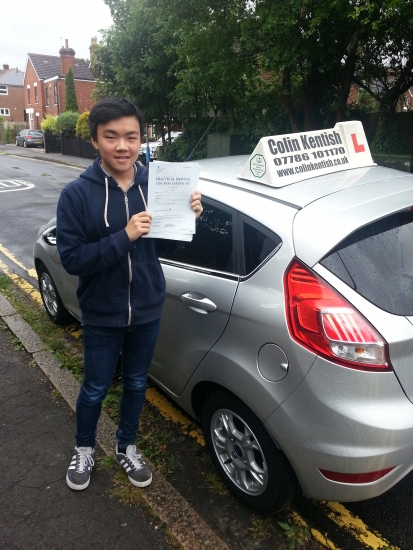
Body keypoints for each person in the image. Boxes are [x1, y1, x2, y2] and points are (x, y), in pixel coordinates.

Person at [56, 97, 203, 491]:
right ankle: (84, 448)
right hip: (102, 312)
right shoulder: (76, 195)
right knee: (95, 387)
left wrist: (188, 219)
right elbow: (72, 258)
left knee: (137, 383)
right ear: (95, 141)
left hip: (148, 307)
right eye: (112, 136)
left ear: (142, 138)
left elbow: (165, 248)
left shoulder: (156, 185)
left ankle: (126, 445)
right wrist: (123, 237)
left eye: (131, 136)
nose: (122, 146)